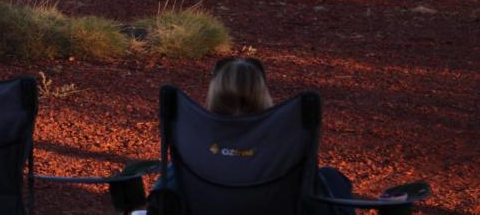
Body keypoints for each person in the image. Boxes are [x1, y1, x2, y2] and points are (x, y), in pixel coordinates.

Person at [148, 57, 355, 215]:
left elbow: (161, 200)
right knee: (333, 178)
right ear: (263, 93)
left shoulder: (194, 142)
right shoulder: (285, 141)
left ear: (214, 93)